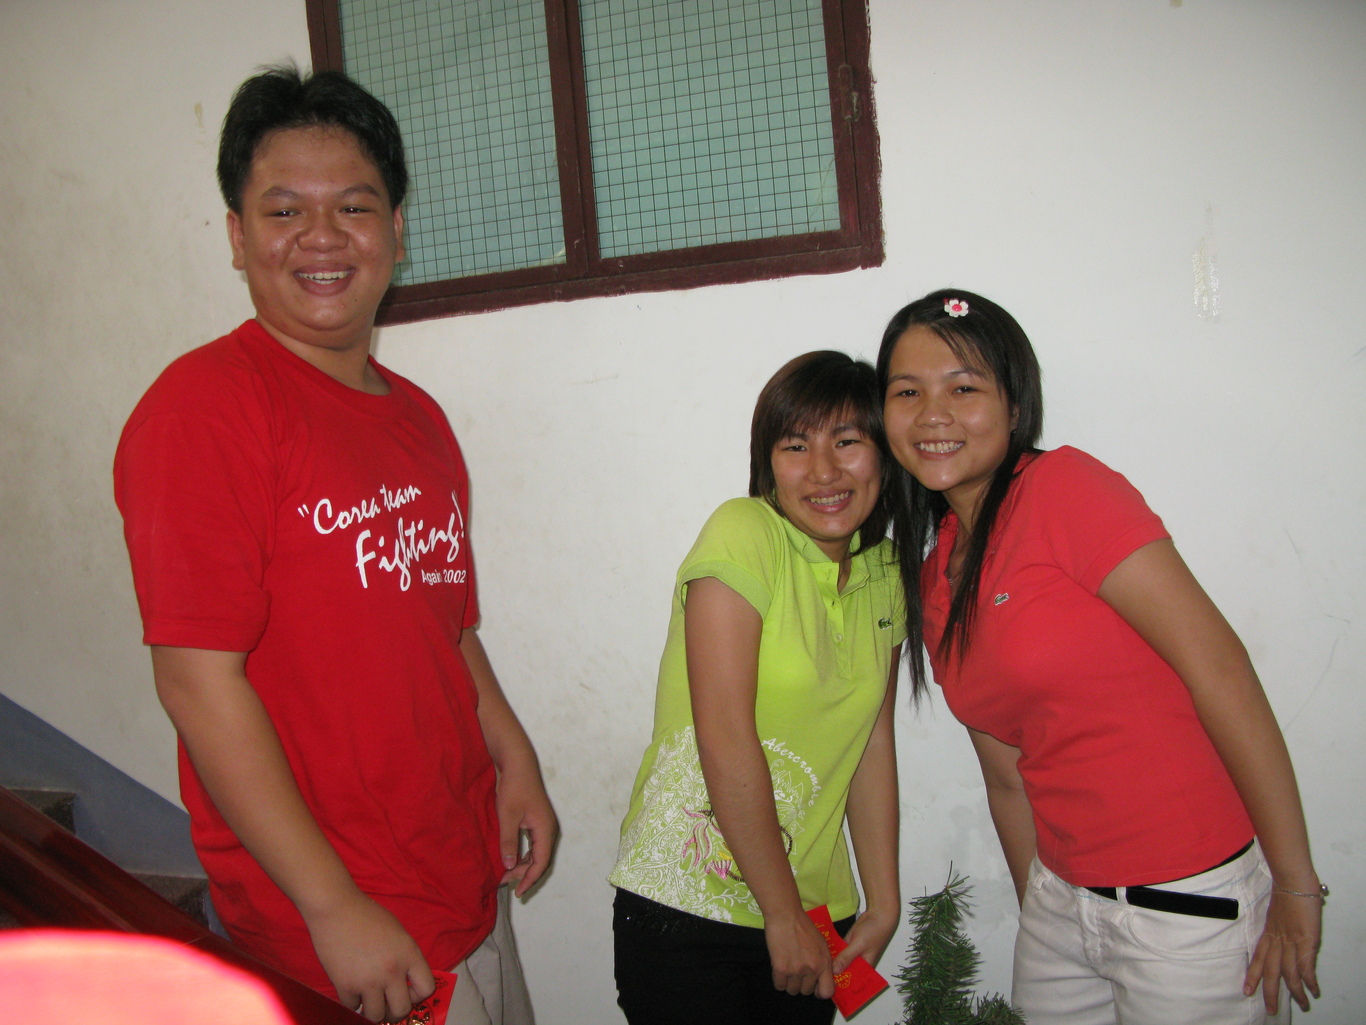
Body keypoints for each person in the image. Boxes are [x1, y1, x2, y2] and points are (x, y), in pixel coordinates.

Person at [113, 66, 556, 1025]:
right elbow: (196, 682)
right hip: (344, 925)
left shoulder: (420, 419)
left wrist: (513, 755)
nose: (321, 236)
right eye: (284, 211)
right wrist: (332, 905)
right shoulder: (205, 410)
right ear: (238, 236)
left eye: (353, 207)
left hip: (459, 873)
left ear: (395, 228)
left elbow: (448, 625)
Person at [876, 288, 1323, 1024]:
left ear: (1015, 405)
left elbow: (1221, 670)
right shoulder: (935, 572)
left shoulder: (1066, 490)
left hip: (1185, 905)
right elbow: (1007, 778)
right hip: (1060, 901)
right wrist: (1041, 911)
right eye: (907, 392)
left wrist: (1296, 885)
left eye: (964, 388)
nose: (933, 414)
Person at [609, 351, 904, 1024]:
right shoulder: (743, 531)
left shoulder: (886, 572)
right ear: (767, 463)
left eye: (847, 441)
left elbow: (872, 742)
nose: (823, 470)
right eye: (796, 445)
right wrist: (780, 912)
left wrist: (883, 902)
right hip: (689, 904)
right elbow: (724, 731)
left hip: (815, 910)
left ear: (884, 456)